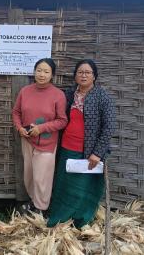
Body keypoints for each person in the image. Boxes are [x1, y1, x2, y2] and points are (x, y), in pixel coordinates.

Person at [47, 59, 115, 228]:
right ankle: (61, 218)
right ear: (75, 75)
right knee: (65, 186)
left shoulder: (102, 96)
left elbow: (109, 126)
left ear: (94, 76)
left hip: (89, 152)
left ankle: (80, 221)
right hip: (67, 148)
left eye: (88, 72)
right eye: (80, 72)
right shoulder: (69, 94)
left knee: (84, 188)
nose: (83, 75)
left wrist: (97, 153)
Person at [12, 58, 68, 215]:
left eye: (46, 71)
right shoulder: (25, 91)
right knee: (29, 175)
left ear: (52, 75)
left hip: (47, 142)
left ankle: (41, 209)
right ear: (34, 72)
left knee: (41, 178)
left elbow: (62, 120)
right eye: (39, 70)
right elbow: (16, 112)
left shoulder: (58, 95)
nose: (42, 74)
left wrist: (42, 128)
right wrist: (19, 128)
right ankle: (33, 202)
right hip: (27, 140)